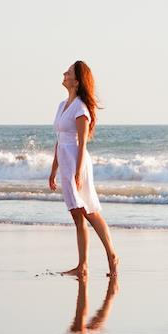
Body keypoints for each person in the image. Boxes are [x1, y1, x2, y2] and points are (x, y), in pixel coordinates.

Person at [48, 61, 120, 277]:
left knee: (89, 211)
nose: (64, 73)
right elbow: (59, 141)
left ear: (77, 81)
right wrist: (53, 170)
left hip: (77, 163)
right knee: (77, 215)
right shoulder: (62, 105)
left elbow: (82, 143)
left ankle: (112, 256)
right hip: (66, 162)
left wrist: (78, 172)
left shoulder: (80, 108)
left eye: (68, 72)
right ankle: (83, 266)